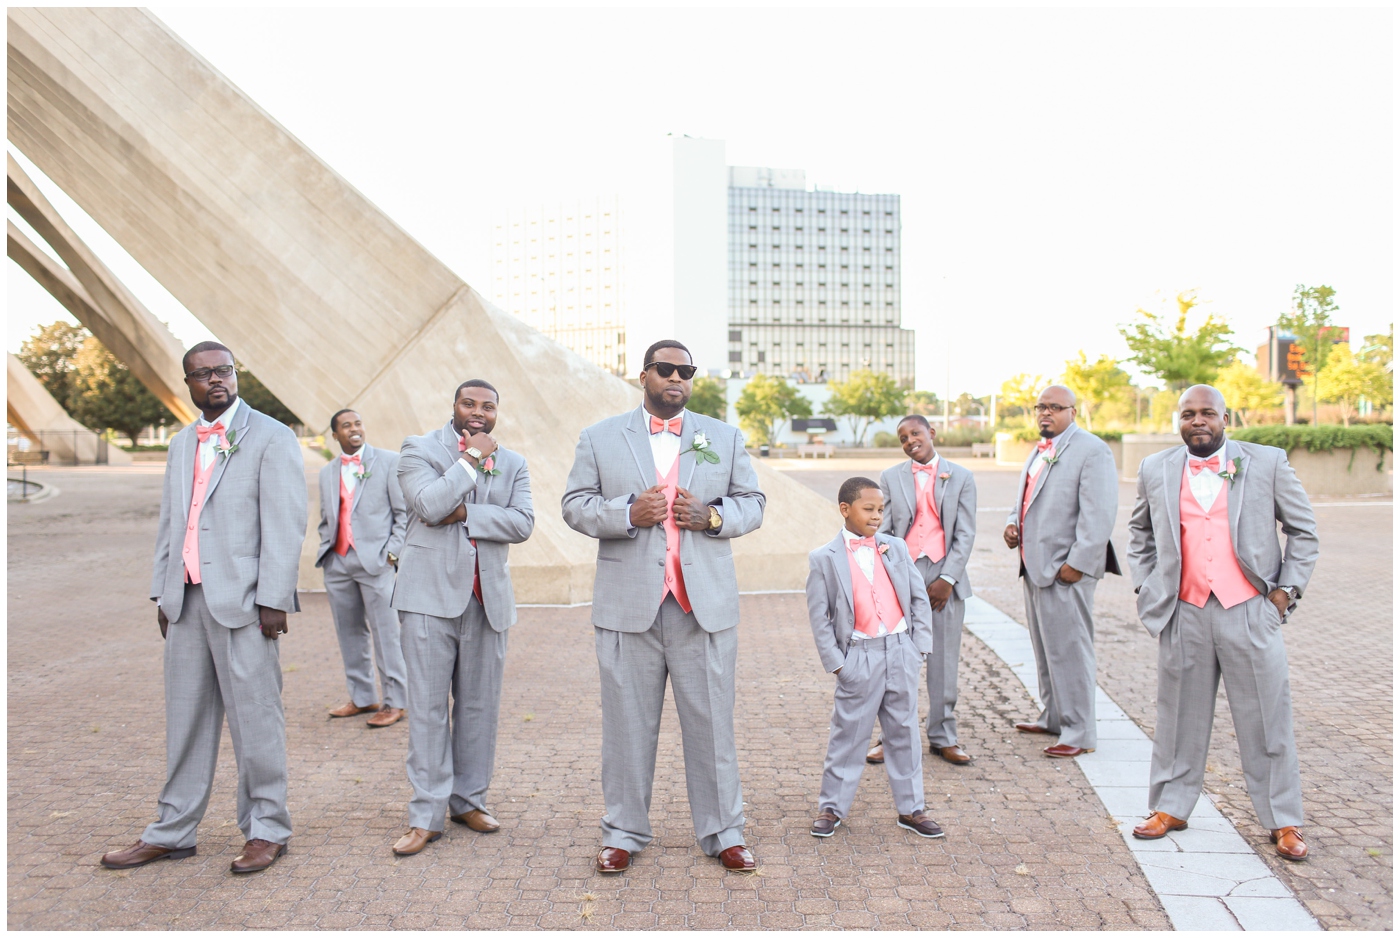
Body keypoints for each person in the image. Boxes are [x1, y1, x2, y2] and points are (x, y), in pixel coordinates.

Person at [101, 341, 305, 874]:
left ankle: (267, 828)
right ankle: (172, 831)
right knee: (185, 720)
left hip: (244, 603)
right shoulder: (179, 444)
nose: (216, 380)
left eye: (224, 371)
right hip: (186, 601)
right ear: (188, 384)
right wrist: (162, 592)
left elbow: (285, 523)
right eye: (203, 374)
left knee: (256, 720)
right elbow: (174, 521)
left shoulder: (271, 436)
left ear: (236, 376)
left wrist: (274, 598)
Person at [562, 340, 766, 874]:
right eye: (666, 369)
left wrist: (714, 517)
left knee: (713, 726)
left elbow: (754, 503)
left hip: (703, 608)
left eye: (686, 371)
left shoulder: (721, 436)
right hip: (630, 606)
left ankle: (725, 832)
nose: (677, 378)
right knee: (626, 727)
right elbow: (575, 505)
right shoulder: (600, 437)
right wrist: (627, 511)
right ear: (644, 375)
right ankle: (623, 832)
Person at [1127, 385, 1318, 860]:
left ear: (1225, 418)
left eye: (1207, 413)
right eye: (1188, 414)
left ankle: (1283, 819)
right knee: (1177, 718)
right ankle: (1169, 806)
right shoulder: (1156, 468)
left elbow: (1303, 531)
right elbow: (1139, 532)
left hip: (1251, 609)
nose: (1197, 421)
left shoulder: (1267, 461)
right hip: (1184, 610)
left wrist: (1283, 593)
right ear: (1179, 420)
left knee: (1267, 720)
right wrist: (1147, 588)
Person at [388, 380, 534, 856]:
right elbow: (429, 506)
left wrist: (467, 511)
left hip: (487, 600)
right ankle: (425, 815)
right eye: (469, 404)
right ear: (453, 406)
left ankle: (468, 800)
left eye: (488, 406)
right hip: (428, 599)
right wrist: (470, 459)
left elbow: (523, 523)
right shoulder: (418, 450)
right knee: (428, 709)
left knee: (478, 708)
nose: (478, 412)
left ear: (497, 413)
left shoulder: (513, 463)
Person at [805, 477, 942, 840]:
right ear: (845, 510)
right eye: (869, 509)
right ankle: (831, 807)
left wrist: (919, 648)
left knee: (903, 733)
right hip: (859, 657)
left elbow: (917, 598)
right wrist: (838, 663)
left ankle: (912, 809)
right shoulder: (824, 558)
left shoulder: (895, 547)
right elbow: (820, 617)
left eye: (881, 509)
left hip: (900, 650)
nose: (877, 516)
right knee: (848, 735)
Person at [1002, 385, 1119, 758]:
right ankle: (1054, 715)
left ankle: (1080, 731)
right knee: (1045, 647)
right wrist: (1011, 523)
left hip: (1066, 570)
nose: (1045, 413)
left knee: (1071, 650)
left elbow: (1099, 514)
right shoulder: (1039, 451)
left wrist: (1078, 564)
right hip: (1034, 565)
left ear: (1073, 411)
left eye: (1054, 407)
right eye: (1040, 407)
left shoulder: (1092, 450)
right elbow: (1025, 500)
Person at [866, 415, 977, 767]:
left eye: (915, 433)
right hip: (903, 573)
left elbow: (965, 534)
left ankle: (943, 736)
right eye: (903, 437)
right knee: (897, 662)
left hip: (946, 574)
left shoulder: (962, 476)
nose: (910, 440)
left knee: (943, 662)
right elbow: (883, 531)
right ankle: (892, 737)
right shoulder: (891, 477)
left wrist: (949, 579)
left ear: (932, 433)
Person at [316, 409, 409, 728]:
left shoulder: (388, 461)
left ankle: (396, 701)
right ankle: (363, 697)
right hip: (338, 562)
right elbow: (326, 519)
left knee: (387, 634)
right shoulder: (326, 472)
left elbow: (404, 514)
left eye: (357, 424)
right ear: (335, 435)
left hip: (376, 563)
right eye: (346, 426)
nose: (354, 429)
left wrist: (391, 555)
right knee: (349, 632)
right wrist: (327, 550)